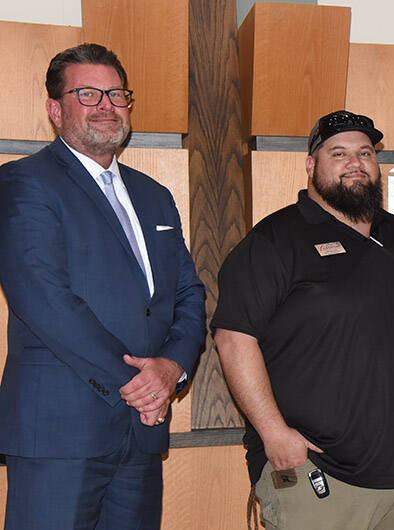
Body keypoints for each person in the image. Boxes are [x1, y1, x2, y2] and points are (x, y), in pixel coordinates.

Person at [211, 110, 394, 530]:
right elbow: (234, 338)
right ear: (311, 165)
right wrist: (274, 434)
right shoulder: (275, 239)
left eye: (365, 152)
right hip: (320, 476)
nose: (355, 162)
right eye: (339, 153)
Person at [0, 43, 207, 529]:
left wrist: (171, 369)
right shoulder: (24, 183)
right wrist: (139, 383)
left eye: (117, 94)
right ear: (56, 109)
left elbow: (187, 295)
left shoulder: (154, 196)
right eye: (88, 94)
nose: (107, 106)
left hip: (142, 430)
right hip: (59, 432)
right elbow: (43, 299)